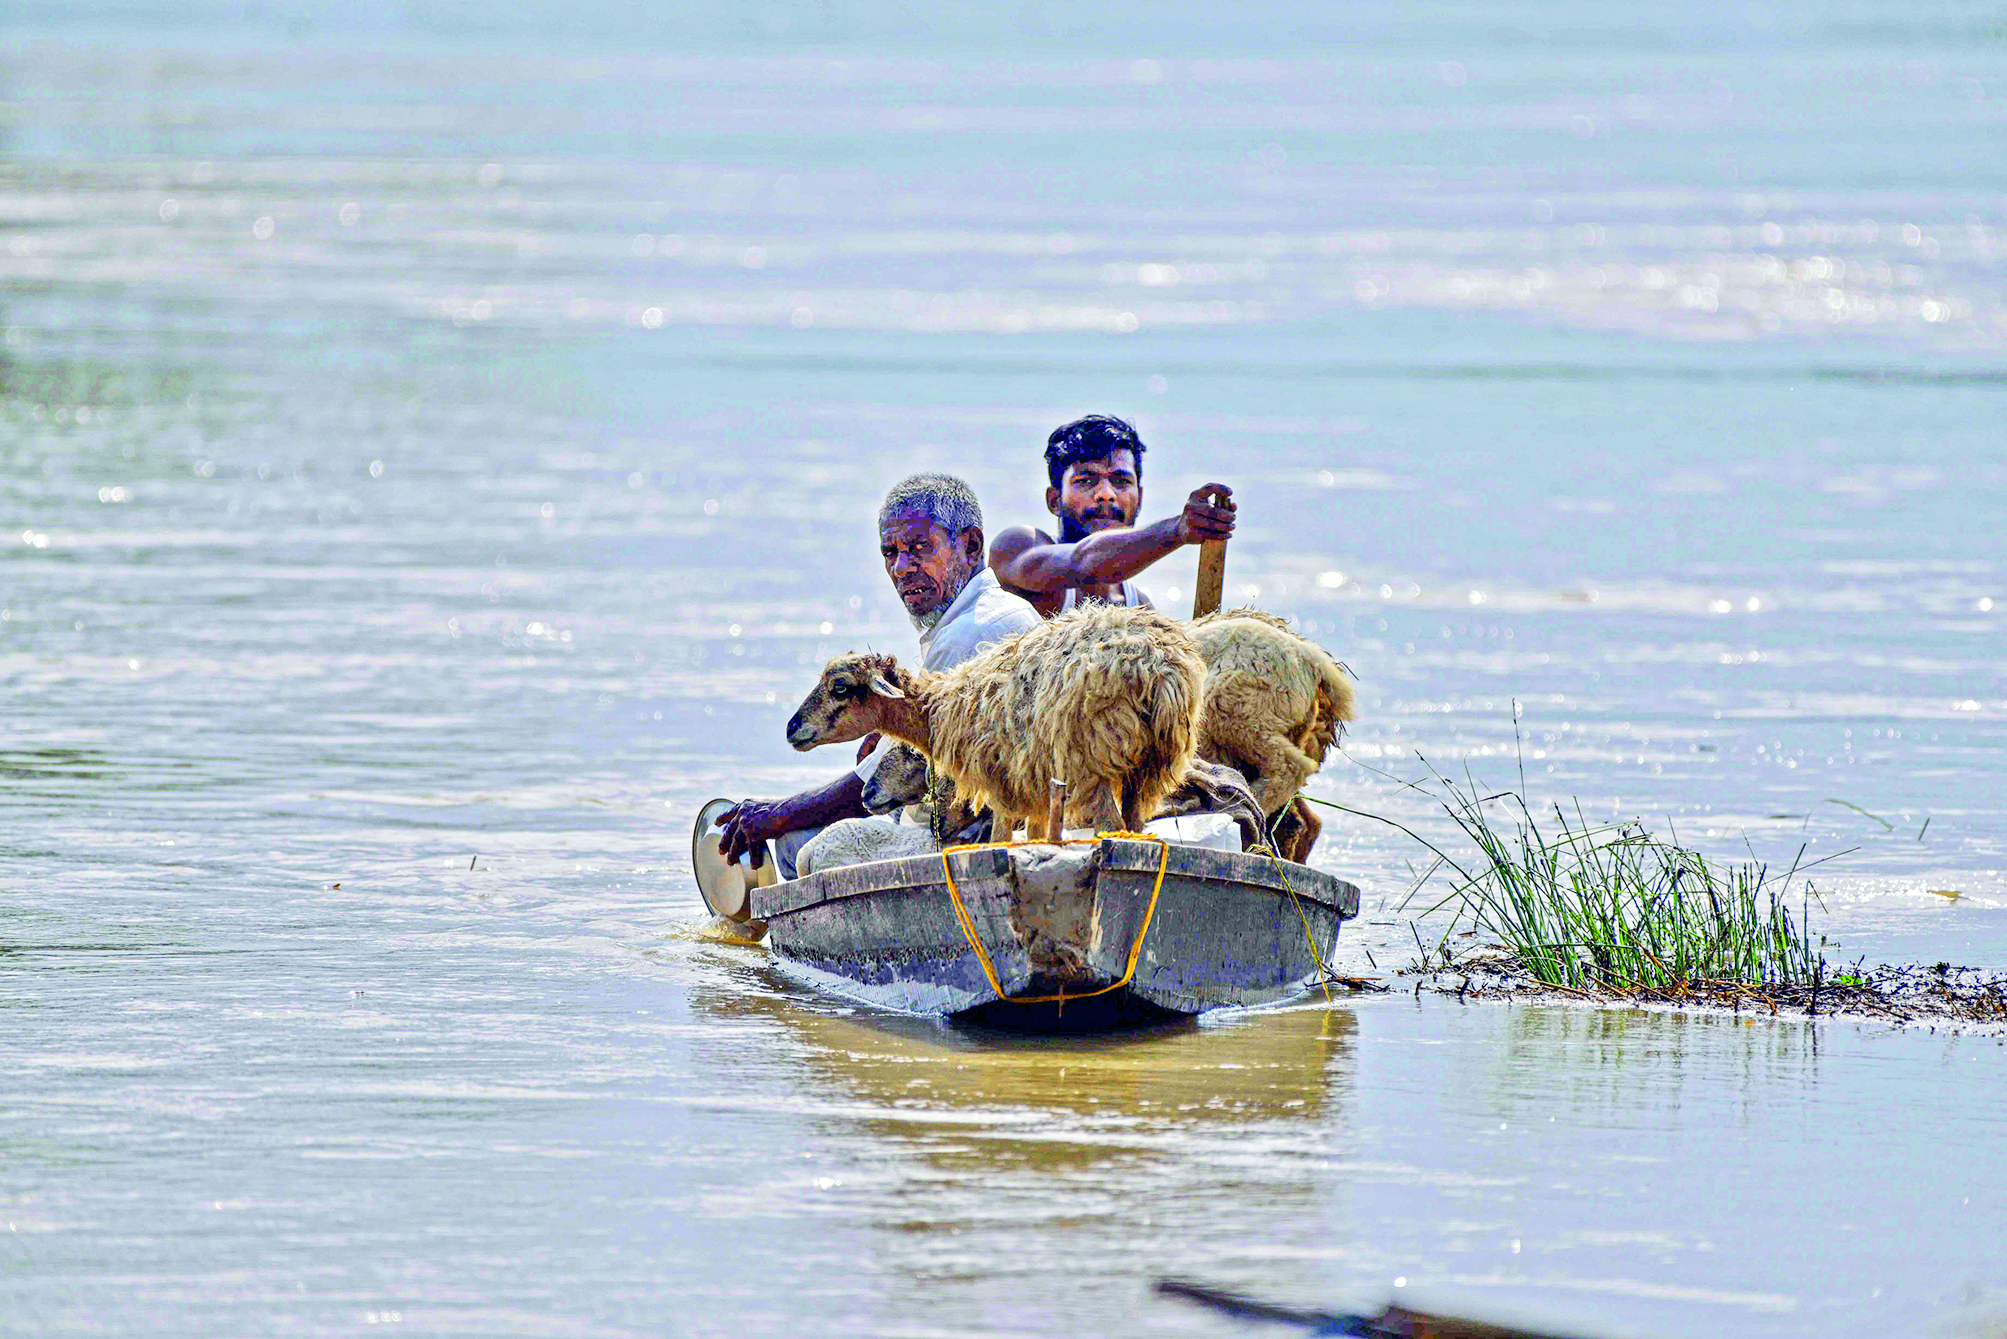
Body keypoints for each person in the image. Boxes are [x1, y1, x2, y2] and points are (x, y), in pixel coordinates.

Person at [714, 472, 1040, 879]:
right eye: (890, 553)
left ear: (971, 545)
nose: (902, 567)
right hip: (962, 822)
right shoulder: (991, 614)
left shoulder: (970, 633)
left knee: (798, 848)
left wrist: (776, 815)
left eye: (920, 548)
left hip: (967, 838)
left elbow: (870, 789)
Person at [987, 414, 1237, 617]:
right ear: (1054, 501)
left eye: (1120, 481)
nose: (1106, 494)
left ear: (1139, 499)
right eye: (1086, 480)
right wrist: (1176, 530)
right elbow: (1084, 561)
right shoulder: (1017, 548)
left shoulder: (1138, 608)